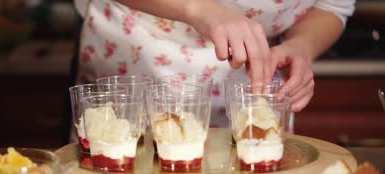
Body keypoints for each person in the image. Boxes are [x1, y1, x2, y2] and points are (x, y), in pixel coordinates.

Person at [73, 0, 355, 127]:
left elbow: (332, 7)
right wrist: (197, 7)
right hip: (137, 55)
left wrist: (301, 46)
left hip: (249, 79)